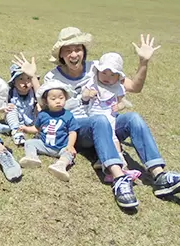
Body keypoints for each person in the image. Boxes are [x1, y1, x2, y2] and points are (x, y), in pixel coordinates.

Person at [43, 27, 180, 208]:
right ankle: (119, 179)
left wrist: (143, 62)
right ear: (61, 54)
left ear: (84, 51)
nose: (73, 54)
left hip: (107, 121)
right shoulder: (52, 77)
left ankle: (159, 174)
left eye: (77, 49)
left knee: (133, 118)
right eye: (68, 50)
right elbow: (45, 107)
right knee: (98, 121)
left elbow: (134, 87)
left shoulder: (97, 68)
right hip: (77, 129)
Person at [82, 52, 141, 182]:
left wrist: (119, 107)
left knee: (114, 139)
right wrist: (89, 94)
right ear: (97, 71)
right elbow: (83, 96)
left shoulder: (118, 88)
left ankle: (120, 161)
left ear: (118, 76)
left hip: (110, 117)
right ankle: (107, 162)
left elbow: (122, 102)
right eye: (104, 73)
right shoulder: (93, 83)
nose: (107, 77)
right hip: (95, 117)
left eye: (112, 75)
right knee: (103, 136)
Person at [19, 80, 79, 182]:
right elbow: (36, 128)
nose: (58, 101)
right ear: (46, 101)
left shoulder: (68, 115)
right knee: (29, 143)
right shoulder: (43, 114)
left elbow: (72, 132)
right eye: (53, 99)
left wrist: (70, 145)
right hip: (44, 144)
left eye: (61, 98)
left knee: (70, 153)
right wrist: (26, 129)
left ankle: (60, 165)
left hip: (61, 147)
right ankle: (32, 157)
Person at [0, 55, 40, 146]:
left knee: (39, 107)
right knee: (11, 109)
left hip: (31, 118)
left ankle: (39, 129)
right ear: (14, 82)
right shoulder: (10, 92)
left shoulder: (33, 92)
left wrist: (33, 77)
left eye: (28, 78)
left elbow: (41, 95)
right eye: (21, 79)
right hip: (16, 118)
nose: (25, 82)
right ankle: (16, 132)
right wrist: (4, 108)